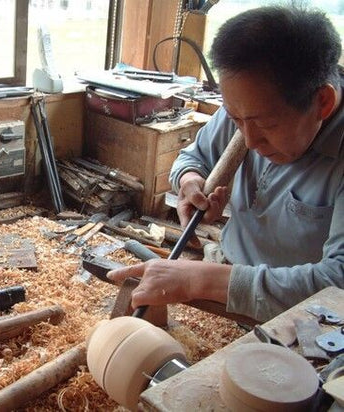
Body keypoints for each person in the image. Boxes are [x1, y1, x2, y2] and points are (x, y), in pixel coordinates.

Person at [107, 5, 344, 322]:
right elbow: (192, 158)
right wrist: (189, 181)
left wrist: (196, 279)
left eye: (267, 126)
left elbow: (337, 285)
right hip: (231, 279)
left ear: (322, 103)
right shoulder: (249, 105)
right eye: (236, 120)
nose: (248, 142)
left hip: (303, 316)